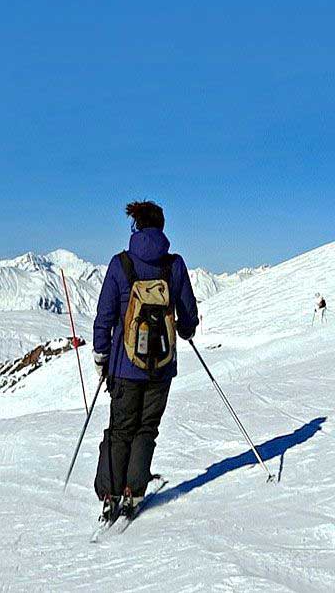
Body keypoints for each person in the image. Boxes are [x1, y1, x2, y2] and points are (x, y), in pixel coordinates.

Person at [91, 201, 199, 522]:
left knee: (121, 429)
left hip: (125, 367)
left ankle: (109, 494)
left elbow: (105, 315)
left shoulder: (120, 264)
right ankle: (134, 491)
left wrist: (101, 355)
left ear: (136, 227)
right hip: (161, 367)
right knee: (146, 429)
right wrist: (185, 328)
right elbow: (188, 314)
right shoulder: (174, 266)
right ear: (163, 228)